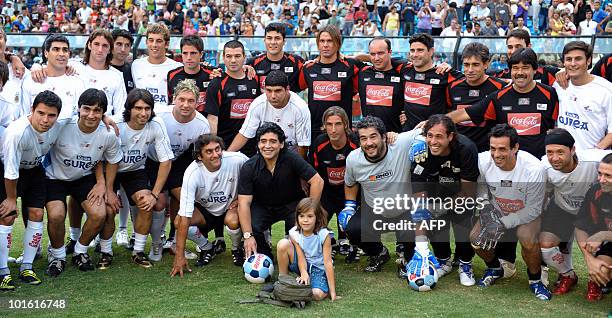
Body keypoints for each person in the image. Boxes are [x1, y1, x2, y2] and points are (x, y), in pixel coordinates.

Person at [45, 89, 122, 276]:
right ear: (78, 108)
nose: (91, 114)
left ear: (103, 113)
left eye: (97, 111)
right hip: (54, 177)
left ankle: (80, 251)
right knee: (56, 215)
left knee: (99, 214)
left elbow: (112, 160)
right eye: (86, 109)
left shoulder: (109, 134)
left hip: (82, 177)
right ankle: (57, 256)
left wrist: (106, 186)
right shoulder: (62, 125)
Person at [469, 124, 551, 300]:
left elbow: (534, 209)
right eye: (493, 148)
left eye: (502, 149)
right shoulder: (483, 161)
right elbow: (482, 188)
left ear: (515, 148)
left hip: (527, 213)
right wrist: (485, 208)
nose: (496, 154)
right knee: (476, 239)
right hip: (497, 210)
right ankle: (494, 268)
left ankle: (535, 280)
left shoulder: (534, 169)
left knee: (527, 239)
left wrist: (502, 223)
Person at [341, 116, 424, 273]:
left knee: (416, 227)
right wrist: (349, 206)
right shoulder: (353, 159)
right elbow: (350, 183)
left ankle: (408, 258)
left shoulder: (401, 143)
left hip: (404, 208)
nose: (369, 143)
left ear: (384, 137)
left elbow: (430, 127)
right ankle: (379, 253)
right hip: (374, 209)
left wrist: (421, 139)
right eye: (363, 138)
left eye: (373, 136)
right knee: (352, 229)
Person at [0, 90, 64, 289]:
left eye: (51, 115)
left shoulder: (60, 125)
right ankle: (2, 270)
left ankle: (27, 266)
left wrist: (106, 118)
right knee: (7, 215)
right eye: (41, 113)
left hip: (34, 170)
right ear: (32, 110)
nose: (46, 119)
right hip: (7, 171)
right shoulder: (17, 132)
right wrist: (11, 199)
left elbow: (81, 116)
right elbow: (10, 171)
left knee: (37, 213)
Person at [406, 114, 479, 286]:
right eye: (429, 136)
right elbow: (418, 194)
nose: (433, 141)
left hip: (461, 193)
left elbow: (468, 192)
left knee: (462, 223)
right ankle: (443, 260)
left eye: (439, 136)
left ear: (451, 136)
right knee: (430, 218)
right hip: (436, 192)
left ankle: (465, 264)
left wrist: (443, 207)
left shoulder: (466, 148)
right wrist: (421, 246)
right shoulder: (420, 152)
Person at [104, 88, 173, 269]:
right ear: (129, 108)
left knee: (146, 203)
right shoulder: (115, 123)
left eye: (147, 108)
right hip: (109, 170)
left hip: (134, 170)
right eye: (138, 108)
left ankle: (138, 251)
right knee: (108, 209)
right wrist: (109, 190)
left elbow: (166, 161)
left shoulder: (156, 124)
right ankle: (105, 251)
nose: (143, 113)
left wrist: (154, 194)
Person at [145, 79, 211, 263]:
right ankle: (157, 243)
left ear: (197, 103)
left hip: (180, 163)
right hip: (154, 161)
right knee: (158, 203)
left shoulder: (202, 124)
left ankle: (174, 241)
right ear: (173, 98)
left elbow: (200, 154)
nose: (185, 104)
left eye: (191, 101)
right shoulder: (159, 115)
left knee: (181, 198)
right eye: (181, 99)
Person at [539, 128, 611, 296]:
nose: (554, 158)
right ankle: (567, 275)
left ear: (573, 149)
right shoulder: (543, 167)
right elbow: (543, 193)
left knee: (597, 252)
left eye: (560, 152)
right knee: (545, 245)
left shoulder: (594, 160)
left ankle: (596, 281)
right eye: (549, 152)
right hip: (563, 209)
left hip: (595, 212)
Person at [238, 122, 324, 258]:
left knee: (303, 224)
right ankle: (263, 253)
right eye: (263, 141)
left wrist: (309, 211)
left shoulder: (292, 158)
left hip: (291, 204)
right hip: (263, 206)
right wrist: (248, 236)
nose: (267, 146)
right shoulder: (249, 167)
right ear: (258, 144)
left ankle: (297, 250)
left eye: (273, 141)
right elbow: (244, 203)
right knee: (253, 224)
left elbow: (317, 181)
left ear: (281, 144)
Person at [170, 134, 248, 276]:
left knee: (234, 221)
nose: (216, 154)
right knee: (178, 222)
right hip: (205, 211)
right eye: (209, 151)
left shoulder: (237, 159)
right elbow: (185, 216)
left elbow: (254, 176)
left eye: (217, 149)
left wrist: (241, 197)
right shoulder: (192, 173)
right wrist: (179, 256)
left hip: (230, 208)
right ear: (199, 156)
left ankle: (237, 249)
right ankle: (207, 247)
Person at [309, 107, 359, 262]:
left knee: (352, 225)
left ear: (345, 125)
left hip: (350, 192)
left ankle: (354, 244)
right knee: (314, 220)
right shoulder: (319, 143)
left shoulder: (356, 144)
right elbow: (313, 172)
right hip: (328, 192)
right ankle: (329, 243)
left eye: (337, 124)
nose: (333, 129)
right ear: (324, 126)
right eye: (329, 124)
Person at [228, 70, 311, 158]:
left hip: (290, 157)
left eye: (278, 91)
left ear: (287, 89)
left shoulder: (300, 108)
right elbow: (244, 134)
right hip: (265, 155)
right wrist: (227, 155)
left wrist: (296, 168)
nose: (273, 96)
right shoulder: (258, 104)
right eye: (269, 91)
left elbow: (303, 145)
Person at [297, 25, 361, 139]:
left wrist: (356, 57)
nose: (325, 45)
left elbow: (378, 64)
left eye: (330, 41)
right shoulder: (308, 68)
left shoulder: (350, 66)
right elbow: (292, 89)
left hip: (343, 133)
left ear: (338, 44)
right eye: (322, 41)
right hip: (315, 131)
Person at [447, 42, 506, 152]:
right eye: (466, 64)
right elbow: (448, 112)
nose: (470, 70)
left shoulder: (499, 87)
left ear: (486, 64)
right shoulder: (453, 87)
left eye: (475, 64)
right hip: (459, 149)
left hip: (488, 152)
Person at [553, 41, 612, 150]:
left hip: (592, 160)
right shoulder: (558, 84)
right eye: (569, 59)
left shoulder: (606, 90)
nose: (573, 63)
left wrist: (596, 151)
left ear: (588, 61)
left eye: (578, 59)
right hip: (563, 160)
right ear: (564, 62)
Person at [206, 40, 261, 157]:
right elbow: (212, 119)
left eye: (237, 56)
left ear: (244, 57)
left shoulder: (255, 80)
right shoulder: (216, 84)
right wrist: (213, 147)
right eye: (229, 56)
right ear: (223, 58)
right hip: (225, 148)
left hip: (252, 150)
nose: (233, 60)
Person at [276, 198, 338, 301]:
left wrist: (333, 293)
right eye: (301, 216)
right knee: (282, 244)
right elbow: (300, 256)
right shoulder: (294, 233)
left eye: (310, 216)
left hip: (318, 268)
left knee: (317, 294)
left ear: (317, 217)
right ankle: (283, 280)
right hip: (302, 264)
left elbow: (328, 263)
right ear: (297, 217)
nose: (305, 220)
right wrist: (304, 272)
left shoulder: (324, 235)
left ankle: (313, 286)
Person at [400, 33, 463, 131]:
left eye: (420, 50)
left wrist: (449, 68)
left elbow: (472, 80)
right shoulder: (404, 69)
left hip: (434, 135)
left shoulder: (444, 73)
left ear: (431, 51)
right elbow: (381, 60)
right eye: (412, 50)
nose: (415, 55)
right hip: (408, 133)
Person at [574, 153, 612, 302]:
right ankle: (601, 282)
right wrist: (590, 260)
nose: (601, 180)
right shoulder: (596, 191)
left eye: (608, 175)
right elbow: (580, 226)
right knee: (602, 270)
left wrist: (602, 235)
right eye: (600, 174)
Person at [20, 34, 85, 119]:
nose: (61, 54)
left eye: (65, 50)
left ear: (69, 54)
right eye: (56, 49)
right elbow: (25, 115)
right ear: (46, 53)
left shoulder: (77, 83)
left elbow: (80, 115)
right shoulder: (30, 80)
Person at [131, 23, 182, 112]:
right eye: (151, 40)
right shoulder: (136, 65)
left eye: (159, 41)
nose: (154, 45)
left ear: (166, 44)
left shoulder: (177, 68)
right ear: (146, 42)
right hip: (142, 119)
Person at [357, 37, 404, 134]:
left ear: (390, 52)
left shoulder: (402, 73)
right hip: (369, 137)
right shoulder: (362, 72)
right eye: (373, 54)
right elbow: (351, 60)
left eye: (381, 53)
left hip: (396, 136)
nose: (376, 58)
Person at [247, 23, 305, 93]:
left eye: (277, 38)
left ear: (284, 41)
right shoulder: (252, 63)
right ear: (264, 40)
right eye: (269, 38)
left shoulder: (297, 62)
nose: (273, 42)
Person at [167, 35, 216, 115]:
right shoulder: (172, 75)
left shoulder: (213, 74)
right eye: (185, 53)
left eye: (193, 53)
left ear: (201, 54)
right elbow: (170, 105)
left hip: (206, 125)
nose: (189, 57)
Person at [493, 29, 561, 87]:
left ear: (529, 47)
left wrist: (564, 72)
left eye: (518, 47)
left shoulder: (547, 74)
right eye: (510, 47)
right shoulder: (499, 77)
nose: (513, 51)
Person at [110, 29, 135, 95]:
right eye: (119, 44)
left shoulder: (132, 71)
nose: (123, 49)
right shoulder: (102, 68)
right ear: (111, 45)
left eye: (127, 45)